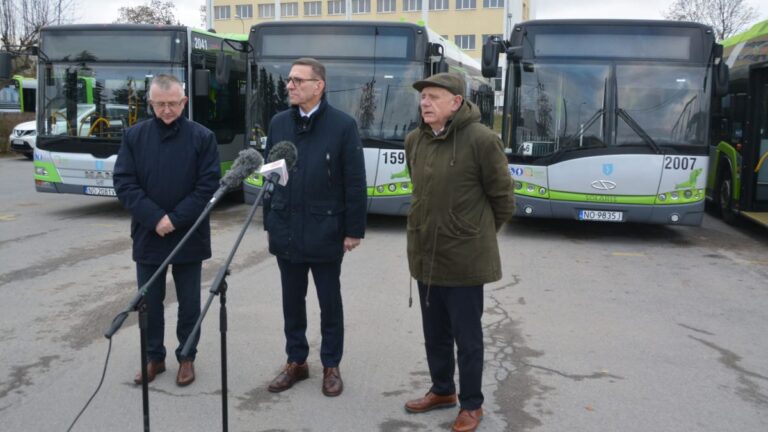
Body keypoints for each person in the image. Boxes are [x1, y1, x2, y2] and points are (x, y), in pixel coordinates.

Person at [403, 73, 515, 432]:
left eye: (434, 96)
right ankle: (442, 390)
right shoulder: (414, 140)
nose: (425, 103)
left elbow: (503, 200)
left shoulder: (482, 140)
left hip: (465, 259)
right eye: (423, 97)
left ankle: (471, 404)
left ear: (456, 102)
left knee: (467, 338)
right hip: (425, 255)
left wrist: (475, 234)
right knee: (434, 332)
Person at [262, 57, 366, 397]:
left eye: (297, 80)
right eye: (289, 79)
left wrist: (353, 230)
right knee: (292, 302)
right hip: (286, 228)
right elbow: (270, 175)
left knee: (329, 303)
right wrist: (270, 221)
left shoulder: (342, 125)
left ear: (318, 85)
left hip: (326, 230)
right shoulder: (278, 122)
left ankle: (331, 365)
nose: (289, 85)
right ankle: (297, 362)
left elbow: (354, 182)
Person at [113, 74, 220, 387]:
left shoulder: (203, 137)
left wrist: (174, 219)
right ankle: (153, 357)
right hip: (149, 234)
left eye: (173, 104)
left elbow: (207, 187)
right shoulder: (134, 137)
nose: (167, 110)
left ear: (184, 102)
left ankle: (186, 357)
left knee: (189, 302)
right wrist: (155, 217)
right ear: (151, 103)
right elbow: (124, 183)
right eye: (160, 104)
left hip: (189, 233)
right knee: (149, 301)